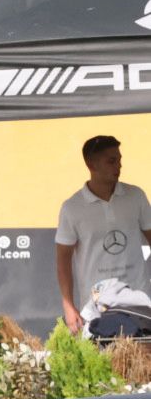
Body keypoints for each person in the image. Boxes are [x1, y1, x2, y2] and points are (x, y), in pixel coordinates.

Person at [56, 135, 151, 334]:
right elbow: (63, 260)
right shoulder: (72, 207)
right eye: (111, 161)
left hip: (139, 302)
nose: (119, 166)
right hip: (95, 307)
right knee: (100, 362)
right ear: (91, 165)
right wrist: (68, 305)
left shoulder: (136, 196)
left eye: (119, 160)